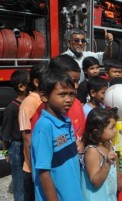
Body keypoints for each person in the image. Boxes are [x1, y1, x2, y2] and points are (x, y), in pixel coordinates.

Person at [30, 70, 84, 201]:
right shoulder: (44, 127)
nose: (69, 100)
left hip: (73, 194)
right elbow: (43, 172)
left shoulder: (66, 121)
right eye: (62, 94)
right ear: (44, 96)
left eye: (72, 94)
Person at [31, 54, 86, 152]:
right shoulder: (41, 117)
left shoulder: (77, 103)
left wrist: (82, 143)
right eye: (72, 81)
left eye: (78, 81)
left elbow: (83, 131)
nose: (76, 86)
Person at [18, 63, 46, 201]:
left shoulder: (45, 99)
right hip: (34, 165)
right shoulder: (28, 103)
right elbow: (27, 139)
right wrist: (33, 169)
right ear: (36, 82)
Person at [1, 69, 29, 201]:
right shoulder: (11, 109)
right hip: (16, 147)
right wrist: (6, 153)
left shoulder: (29, 104)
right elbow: (5, 134)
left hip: (27, 144)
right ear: (21, 86)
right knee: (19, 181)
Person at [80, 108, 118, 201]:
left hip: (108, 195)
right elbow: (95, 181)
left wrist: (119, 178)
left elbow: (115, 161)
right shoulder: (92, 151)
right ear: (97, 132)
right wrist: (107, 163)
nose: (115, 130)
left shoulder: (108, 143)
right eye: (111, 127)